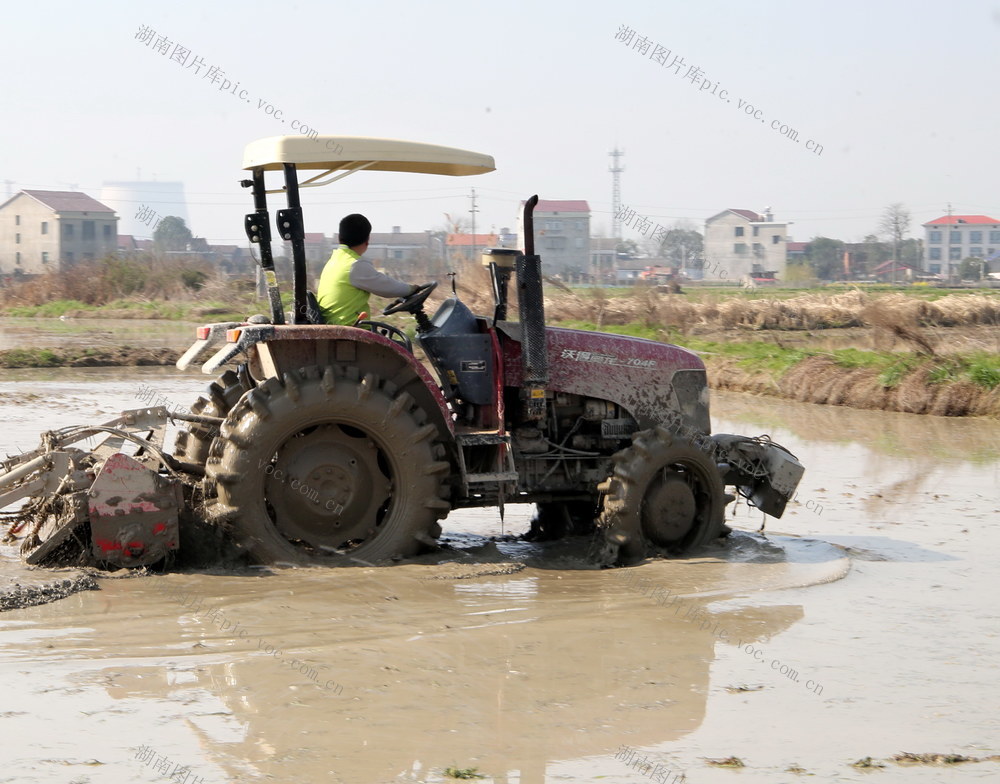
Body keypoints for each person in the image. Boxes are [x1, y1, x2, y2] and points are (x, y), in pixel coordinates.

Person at [316, 213, 420, 325]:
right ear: (367, 240)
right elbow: (385, 286)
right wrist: (411, 289)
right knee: (401, 342)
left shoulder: (334, 260)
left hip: (335, 326)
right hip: (350, 330)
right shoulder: (355, 264)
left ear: (340, 237)